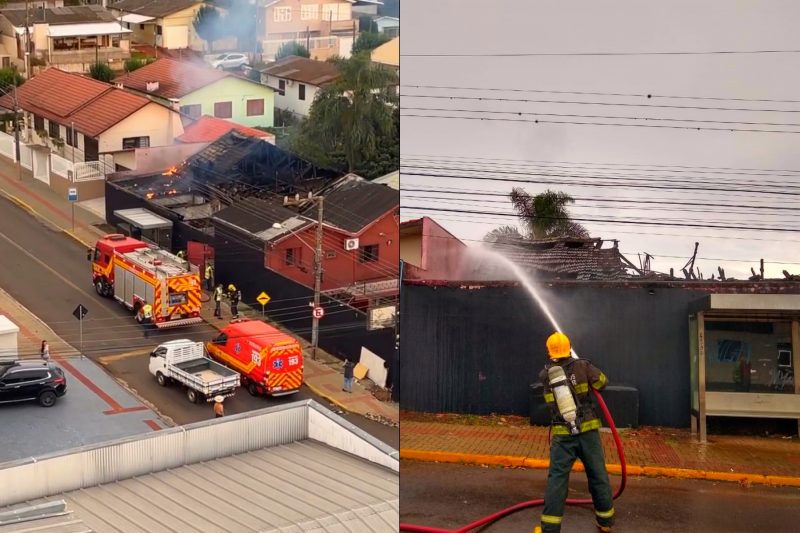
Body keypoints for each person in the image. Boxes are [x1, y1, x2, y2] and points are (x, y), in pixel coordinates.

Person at [534, 332, 615, 533]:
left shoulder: (545, 375)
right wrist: (585, 370)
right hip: (588, 431)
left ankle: (549, 529)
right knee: (597, 475)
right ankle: (605, 523)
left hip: (563, 435)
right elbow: (603, 382)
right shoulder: (583, 366)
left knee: (557, 480)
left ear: (550, 352)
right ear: (569, 347)